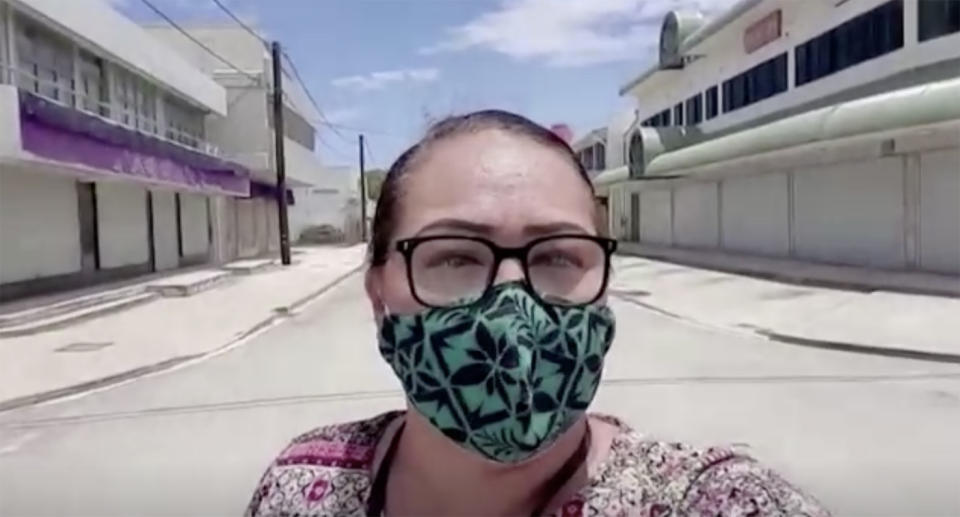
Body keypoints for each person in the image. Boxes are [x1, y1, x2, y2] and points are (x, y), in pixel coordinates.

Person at [246, 110, 829, 517]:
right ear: (379, 297)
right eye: (453, 256)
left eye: (555, 254)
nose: (512, 309)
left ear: (603, 290)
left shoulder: (709, 502)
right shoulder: (300, 489)